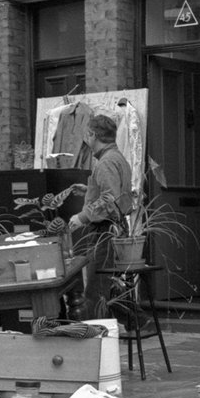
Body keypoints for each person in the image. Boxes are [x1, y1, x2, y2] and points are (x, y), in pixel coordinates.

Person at [67, 113, 132, 317]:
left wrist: (82, 217)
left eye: (87, 134)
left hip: (105, 232)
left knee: (96, 290)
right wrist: (89, 190)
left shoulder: (105, 162)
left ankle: (95, 340)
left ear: (93, 135)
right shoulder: (117, 158)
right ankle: (139, 322)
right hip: (115, 230)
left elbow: (109, 199)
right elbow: (113, 193)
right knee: (109, 287)